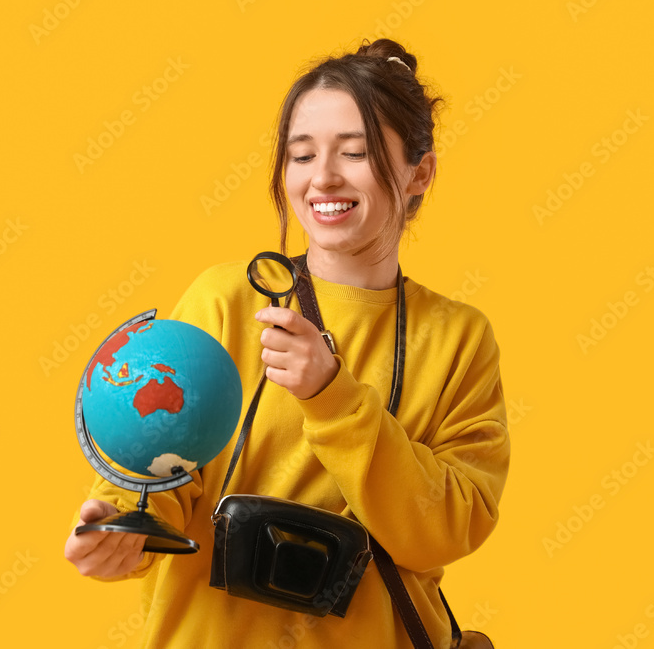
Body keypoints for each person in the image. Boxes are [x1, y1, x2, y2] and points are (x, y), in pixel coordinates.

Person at [65, 38, 510, 648]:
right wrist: (120, 526)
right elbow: (159, 458)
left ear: (420, 171)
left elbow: (445, 529)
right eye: (301, 156)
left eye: (356, 153)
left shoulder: (459, 338)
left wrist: (331, 394)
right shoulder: (226, 300)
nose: (323, 177)